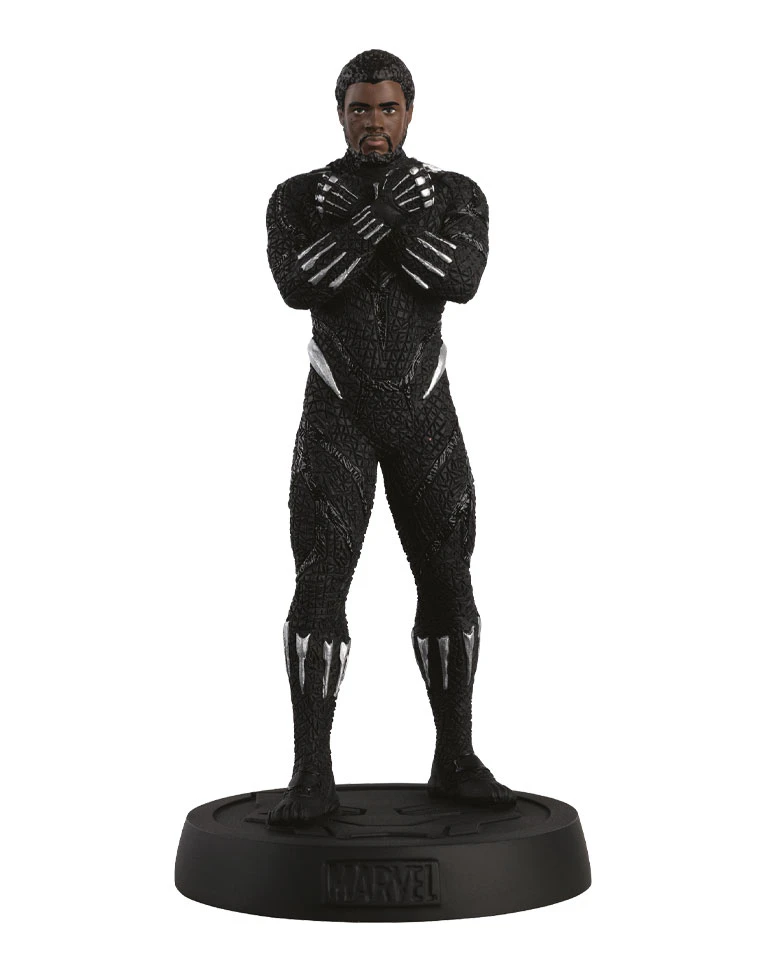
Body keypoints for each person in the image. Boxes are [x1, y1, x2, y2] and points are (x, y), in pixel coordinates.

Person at [265, 50, 516, 825]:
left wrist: (375, 222)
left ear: (409, 111)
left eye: (386, 108)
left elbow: (461, 279)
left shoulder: (456, 194)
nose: (373, 123)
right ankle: (312, 773)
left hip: (422, 406)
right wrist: (383, 219)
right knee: (320, 582)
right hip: (338, 406)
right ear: (340, 113)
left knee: (448, 577)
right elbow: (300, 284)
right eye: (359, 109)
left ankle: (457, 757)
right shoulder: (299, 196)